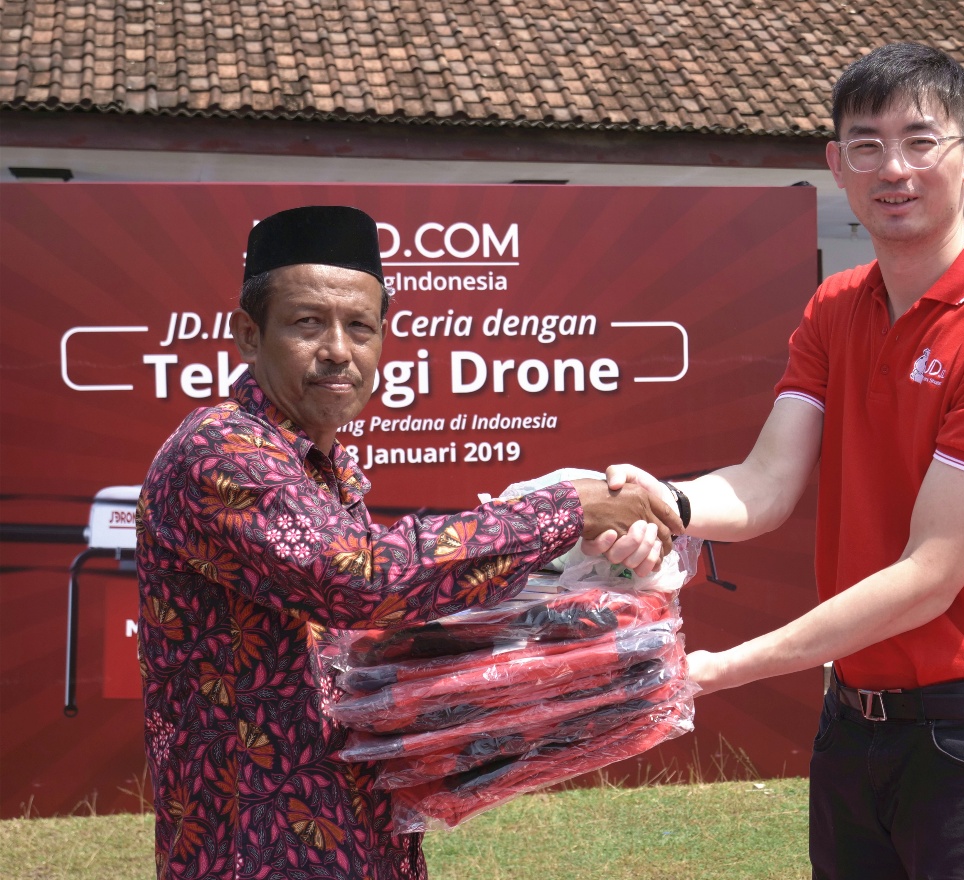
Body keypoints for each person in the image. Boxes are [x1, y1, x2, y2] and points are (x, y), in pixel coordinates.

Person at [596, 43, 964, 879]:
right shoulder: (835, 306)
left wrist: (722, 668)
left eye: (919, 140)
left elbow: (929, 575)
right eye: (866, 145)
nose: (892, 168)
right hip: (854, 724)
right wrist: (666, 502)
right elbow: (766, 483)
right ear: (836, 165)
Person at [135, 204, 680, 879]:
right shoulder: (221, 449)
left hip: (359, 836)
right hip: (259, 849)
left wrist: (570, 619)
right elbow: (361, 580)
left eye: (360, 326)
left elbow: (374, 631)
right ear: (249, 335)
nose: (339, 350)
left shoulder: (320, 466)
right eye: (308, 323)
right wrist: (567, 509)